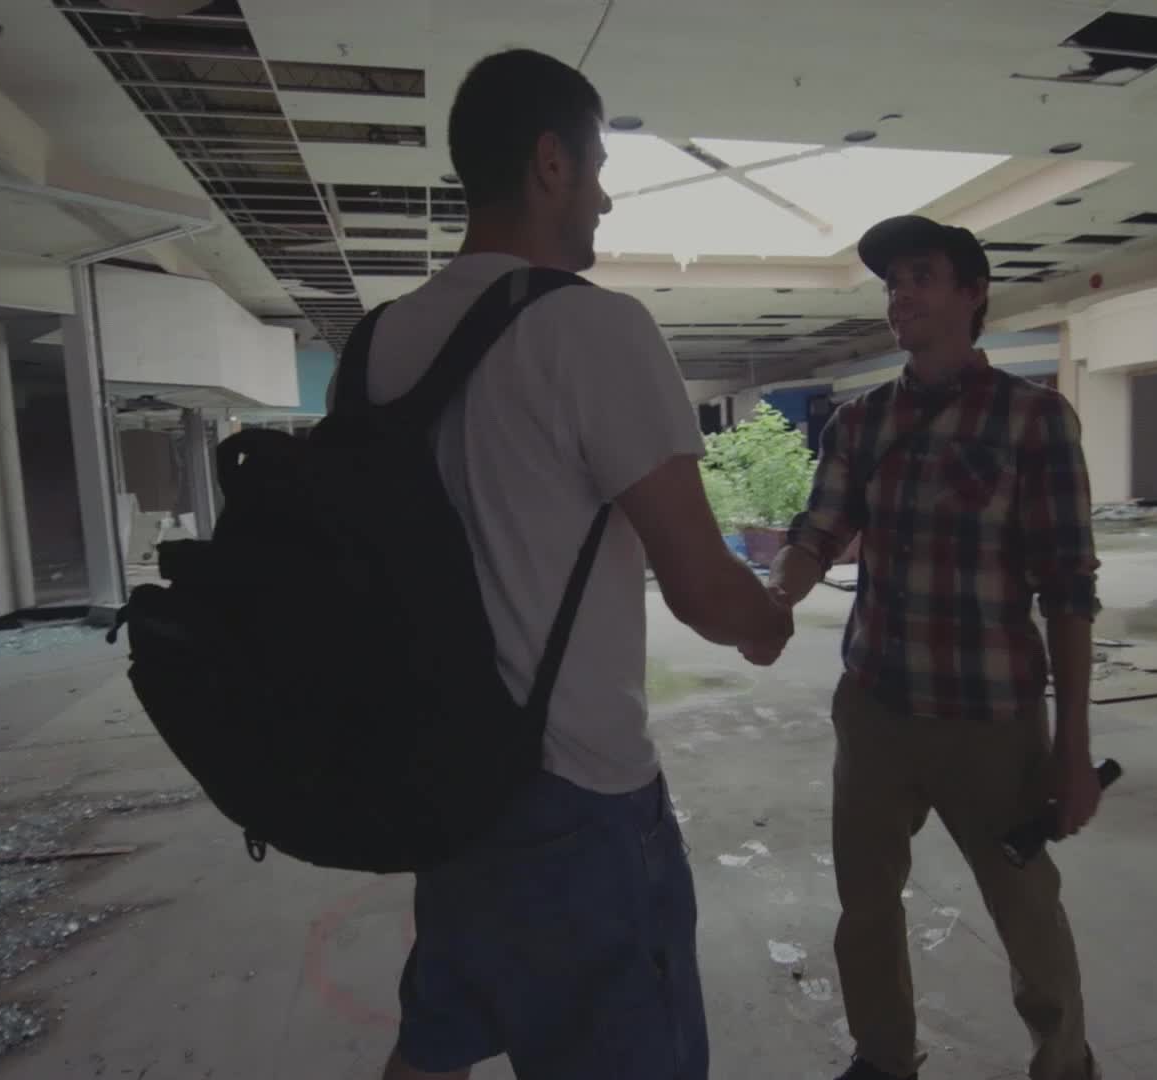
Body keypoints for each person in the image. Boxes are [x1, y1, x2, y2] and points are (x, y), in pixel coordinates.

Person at [350, 49, 793, 1080]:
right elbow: (697, 584)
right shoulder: (591, 329)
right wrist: (767, 617)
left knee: (440, 1034)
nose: (603, 195)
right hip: (573, 795)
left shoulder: (379, 343)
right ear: (550, 163)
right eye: (594, 167)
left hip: (439, 780)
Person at [769, 216, 1103, 1080]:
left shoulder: (1034, 421)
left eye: (920, 276)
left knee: (1027, 911)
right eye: (891, 283)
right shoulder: (861, 422)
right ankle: (884, 1060)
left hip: (990, 722)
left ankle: (1064, 1065)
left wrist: (1072, 750)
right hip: (876, 708)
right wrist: (777, 594)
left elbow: (1068, 589)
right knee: (866, 908)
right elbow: (820, 528)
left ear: (972, 291)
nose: (900, 296)